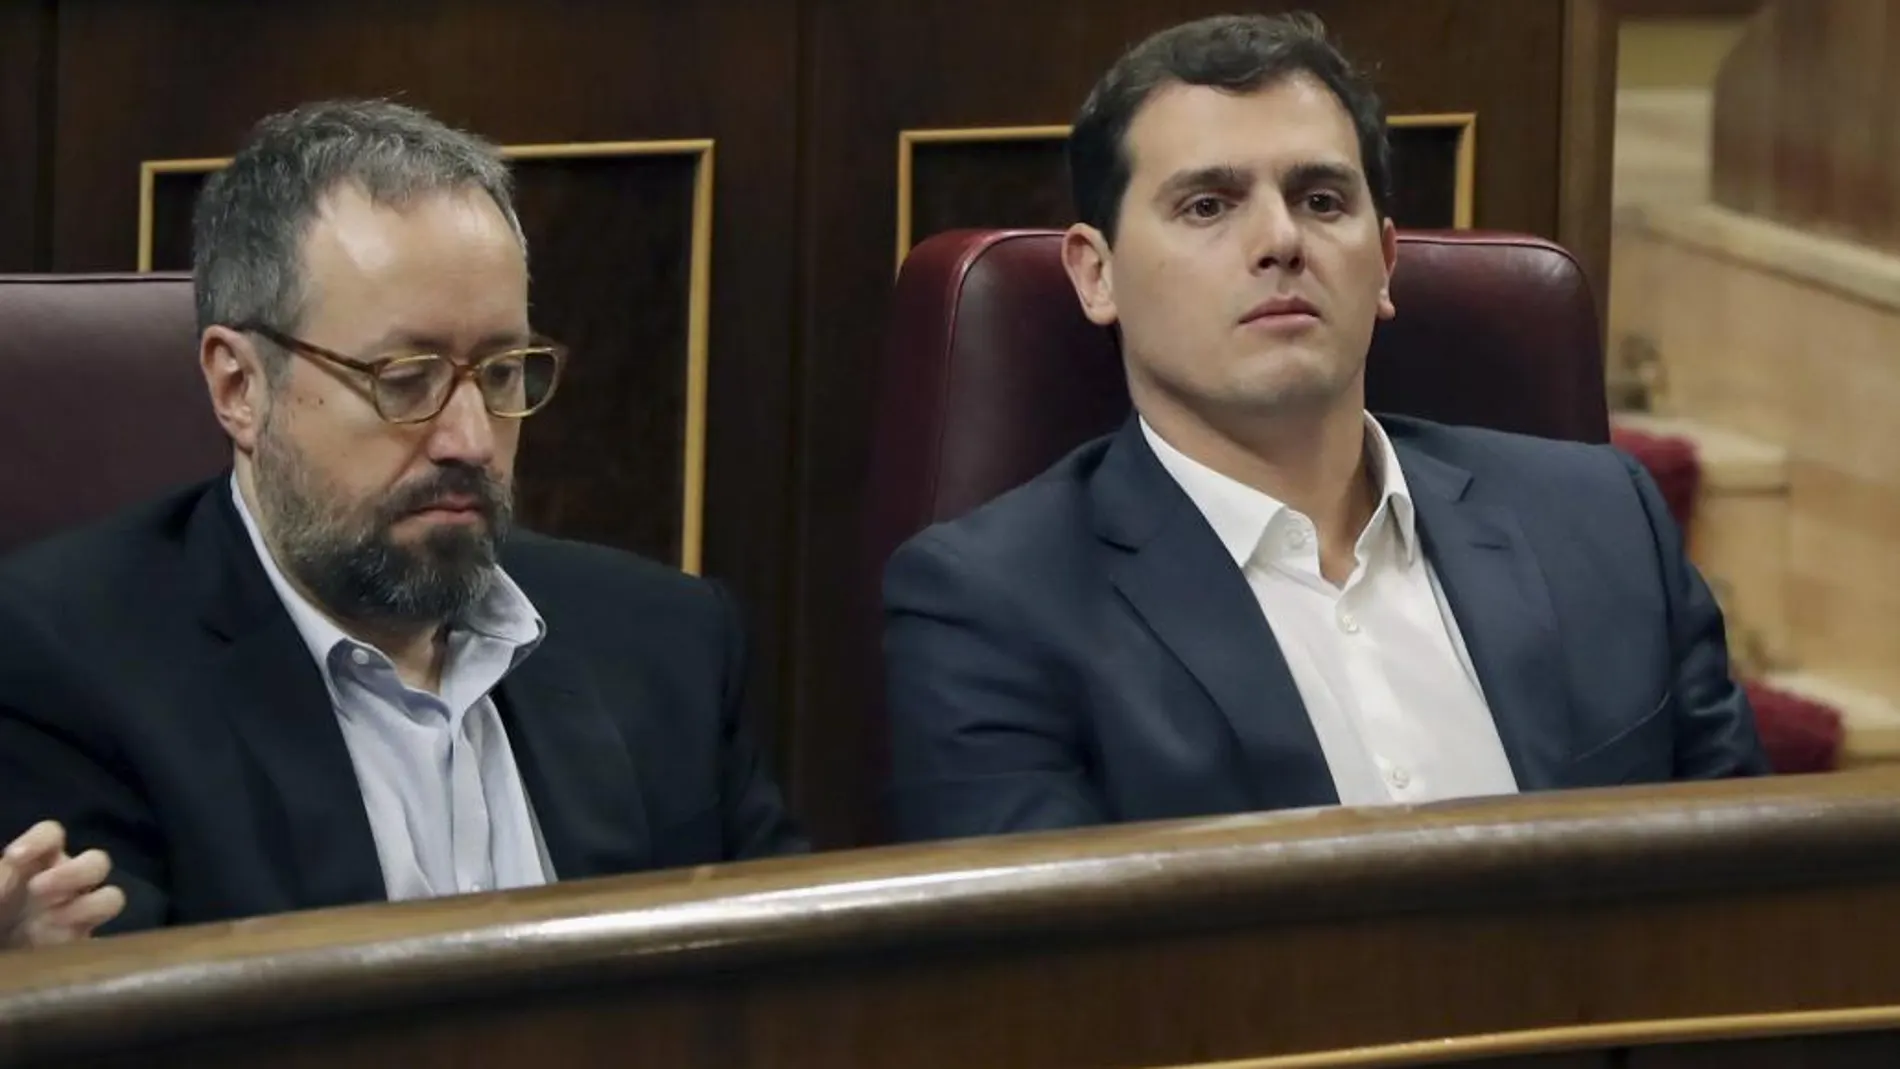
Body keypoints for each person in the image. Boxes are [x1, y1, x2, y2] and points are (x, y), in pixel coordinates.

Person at [882, 13, 1768, 842]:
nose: (1280, 241)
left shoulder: (1604, 522)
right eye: (1207, 205)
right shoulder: (992, 607)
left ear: (1384, 263)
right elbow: (1045, 981)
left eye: (1321, 200)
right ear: (1096, 275)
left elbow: (1755, 891)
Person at [0, 99, 803, 935]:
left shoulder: (666, 644)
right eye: (405, 378)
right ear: (240, 387)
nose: (468, 439)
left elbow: (796, 994)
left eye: (500, 372)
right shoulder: (68, 670)